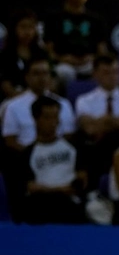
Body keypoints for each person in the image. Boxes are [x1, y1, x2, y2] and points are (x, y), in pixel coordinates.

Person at [15, 96, 87, 224]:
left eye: (55, 117)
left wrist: (71, 188)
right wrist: (58, 190)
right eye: (48, 117)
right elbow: (31, 187)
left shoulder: (74, 147)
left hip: (68, 201)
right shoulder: (27, 153)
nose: (53, 122)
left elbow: (82, 178)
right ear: (36, 120)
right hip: (41, 202)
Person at [74, 54, 119, 182]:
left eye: (115, 72)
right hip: (97, 152)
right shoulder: (84, 100)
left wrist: (107, 120)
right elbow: (89, 130)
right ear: (95, 74)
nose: (112, 77)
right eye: (106, 73)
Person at [43, 0, 110, 84]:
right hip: (63, 65)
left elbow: (102, 51)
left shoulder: (96, 20)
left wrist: (93, 58)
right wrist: (62, 58)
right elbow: (49, 51)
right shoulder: (53, 19)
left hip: (89, 64)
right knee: (64, 73)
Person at [2, 59, 76, 151]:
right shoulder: (12, 106)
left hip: (58, 156)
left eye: (45, 73)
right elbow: (10, 140)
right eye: (36, 73)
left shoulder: (63, 103)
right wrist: (32, 155)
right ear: (27, 77)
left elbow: (69, 134)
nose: (42, 78)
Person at [0, 9, 50, 100]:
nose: (27, 32)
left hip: (41, 98)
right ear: (14, 29)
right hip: (14, 99)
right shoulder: (5, 55)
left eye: (31, 27)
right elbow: (6, 87)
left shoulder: (41, 53)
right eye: (23, 27)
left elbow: (52, 80)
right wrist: (27, 97)